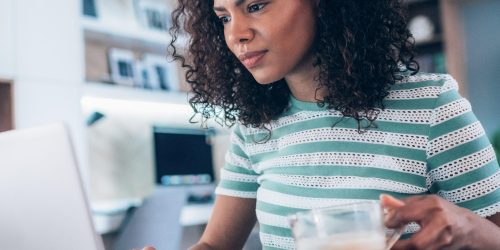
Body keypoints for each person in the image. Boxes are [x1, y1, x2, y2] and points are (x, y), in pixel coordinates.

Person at [144, 0, 500, 249]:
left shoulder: (432, 107)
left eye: (255, 6)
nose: (236, 33)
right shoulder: (254, 128)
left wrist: (468, 227)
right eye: (223, 17)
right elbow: (215, 245)